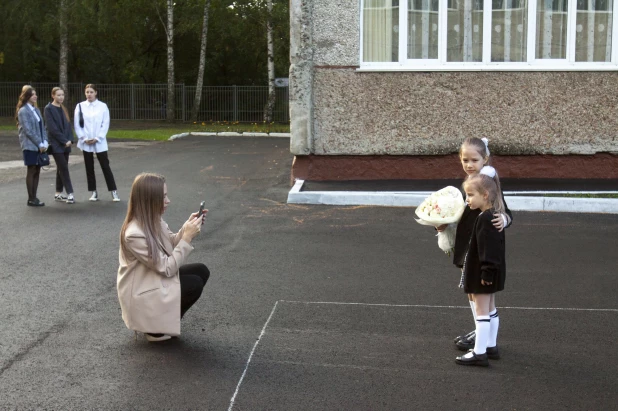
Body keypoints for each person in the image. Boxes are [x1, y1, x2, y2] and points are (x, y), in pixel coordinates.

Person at [437, 138, 512, 351]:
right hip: (467, 250)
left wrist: (504, 219)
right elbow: (456, 214)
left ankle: (483, 337)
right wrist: (441, 225)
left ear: (485, 159)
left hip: (482, 252)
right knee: (473, 294)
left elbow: (507, 212)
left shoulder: (487, 185)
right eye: (465, 160)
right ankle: (481, 332)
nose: (469, 164)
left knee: (483, 297)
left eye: (474, 160)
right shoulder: (468, 186)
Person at [117, 173, 210, 342]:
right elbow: (167, 268)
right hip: (141, 293)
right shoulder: (133, 234)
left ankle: (165, 321)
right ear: (149, 200)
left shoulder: (153, 219)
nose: (168, 201)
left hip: (151, 281)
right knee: (193, 284)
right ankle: (155, 329)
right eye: (163, 197)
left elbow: (170, 243)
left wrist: (186, 228)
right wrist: (187, 237)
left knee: (201, 271)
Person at [455, 173, 507, 366]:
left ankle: (479, 352)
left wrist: (486, 272)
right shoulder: (491, 215)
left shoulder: (486, 219)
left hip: (483, 273)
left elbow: (490, 249)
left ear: (485, 195)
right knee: (491, 309)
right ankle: (491, 346)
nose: (467, 199)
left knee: (482, 312)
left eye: (470, 195)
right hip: (490, 271)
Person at [74, 84, 120, 202]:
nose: (89, 94)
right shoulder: (80, 106)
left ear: (96, 93)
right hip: (86, 141)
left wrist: (98, 137)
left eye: (91, 92)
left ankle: (113, 191)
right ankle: (93, 192)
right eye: (87, 92)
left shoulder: (102, 106)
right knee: (89, 167)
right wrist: (83, 138)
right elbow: (77, 125)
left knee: (105, 165)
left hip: (99, 141)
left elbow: (105, 123)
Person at [16, 85, 49, 207]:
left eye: (35, 94)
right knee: (31, 169)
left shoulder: (36, 110)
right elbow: (28, 130)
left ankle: (34, 197)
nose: (35, 96)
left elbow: (42, 127)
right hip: (30, 145)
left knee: (37, 170)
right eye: (33, 94)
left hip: (40, 145)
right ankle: (31, 198)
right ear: (27, 96)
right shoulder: (23, 111)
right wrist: (39, 143)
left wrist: (45, 141)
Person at [44, 87, 76, 204]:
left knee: (61, 168)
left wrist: (70, 140)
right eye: (58, 95)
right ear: (53, 96)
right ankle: (70, 193)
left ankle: (58, 193)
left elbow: (68, 126)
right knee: (63, 167)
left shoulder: (63, 108)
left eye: (62, 95)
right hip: (56, 144)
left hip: (66, 144)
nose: (61, 97)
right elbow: (52, 128)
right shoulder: (49, 109)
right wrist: (63, 140)